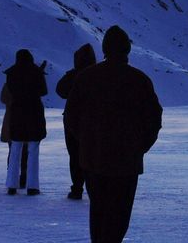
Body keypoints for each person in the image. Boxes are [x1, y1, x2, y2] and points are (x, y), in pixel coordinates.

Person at [64, 25, 163, 243]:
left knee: (98, 213)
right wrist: (139, 148)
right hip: (126, 162)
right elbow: (154, 120)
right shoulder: (139, 80)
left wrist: (88, 142)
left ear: (105, 48)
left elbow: (71, 116)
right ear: (127, 49)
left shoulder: (86, 78)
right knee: (119, 216)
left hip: (94, 159)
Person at [56, 42, 98, 200]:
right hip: (94, 122)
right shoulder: (99, 74)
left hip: (73, 121)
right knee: (92, 155)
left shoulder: (75, 76)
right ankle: (92, 189)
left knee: (75, 156)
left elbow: (60, 90)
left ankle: (77, 188)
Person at [4, 48, 48, 195]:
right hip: (34, 113)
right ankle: (32, 186)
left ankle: (12, 185)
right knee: (33, 150)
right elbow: (43, 91)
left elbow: (10, 90)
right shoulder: (36, 71)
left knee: (15, 149)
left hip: (17, 113)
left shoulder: (11, 73)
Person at [0, 82, 28, 189]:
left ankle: (12, 177)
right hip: (24, 121)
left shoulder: (10, 81)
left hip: (11, 120)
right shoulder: (29, 81)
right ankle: (22, 176)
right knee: (24, 150)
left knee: (13, 150)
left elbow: (3, 98)